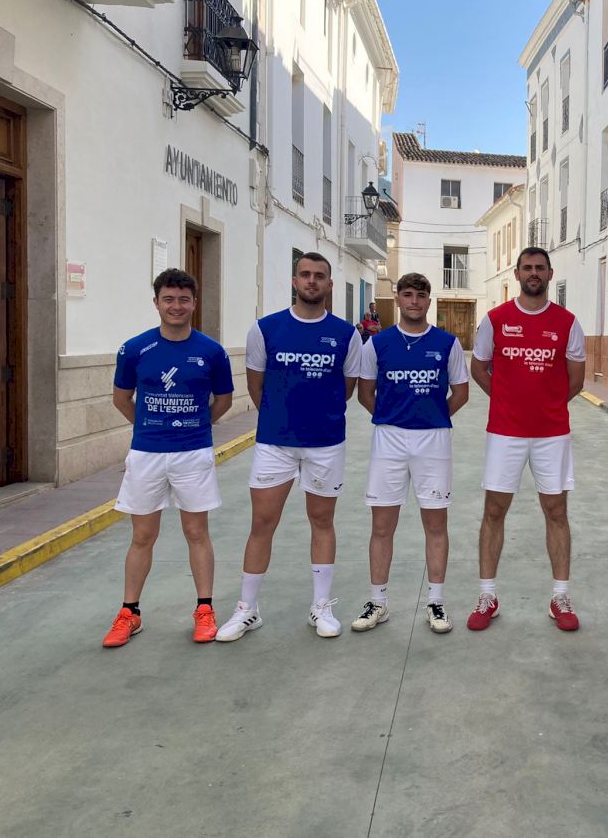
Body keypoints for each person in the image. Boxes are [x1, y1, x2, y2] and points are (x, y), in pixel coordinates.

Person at [216, 252, 363, 642]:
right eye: (305, 274)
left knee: (322, 521)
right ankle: (247, 609)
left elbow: (346, 388)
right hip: (275, 443)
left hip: (325, 442)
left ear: (330, 284)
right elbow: (257, 386)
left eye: (319, 276)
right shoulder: (265, 329)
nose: (312, 281)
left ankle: (321, 606)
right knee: (262, 523)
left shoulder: (347, 335)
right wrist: (282, 417)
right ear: (294, 281)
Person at [102, 269, 234, 648]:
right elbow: (121, 398)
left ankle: (205, 610)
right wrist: (149, 427)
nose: (176, 306)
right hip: (147, 453)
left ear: (194, 303)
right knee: (143, 535)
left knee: (197, 532)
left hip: (193, 454)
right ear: (157, 303)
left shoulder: (212, 352)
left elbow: (224, 400)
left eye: (183, 299)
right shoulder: (134, 349)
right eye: (169, 299)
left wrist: (195, 427)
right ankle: (130, 613)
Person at [468, 247, 586, 631]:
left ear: (550, 273)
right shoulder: (495, 320)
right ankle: (487, 596)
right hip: (505, 432)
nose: (534, 273)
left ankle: (560, 597)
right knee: (494, 511)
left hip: (552, 434)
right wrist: (506, 401)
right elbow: (479, 368)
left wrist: (548, 405)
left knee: (556, 511)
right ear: (516, 274)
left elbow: (576, 380)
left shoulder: (567, 323)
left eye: (540, 268)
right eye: (527, 268)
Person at [352, 272, 469, 634]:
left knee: (435, 524)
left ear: (428, 301)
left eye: (420, 295)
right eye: (407, 294)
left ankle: (436, 602)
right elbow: (365, 393)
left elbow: (461, 393)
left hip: (433, 440)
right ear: (398, 299)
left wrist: (431, 417)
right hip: (389, 439)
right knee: (381, 525)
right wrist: (394, 418)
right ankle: (378, 602)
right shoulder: (377, 344)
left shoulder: (447, 344)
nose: (414, 301)